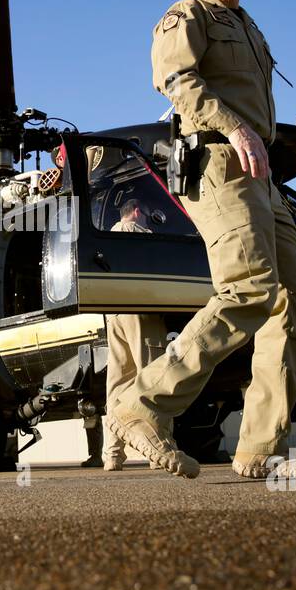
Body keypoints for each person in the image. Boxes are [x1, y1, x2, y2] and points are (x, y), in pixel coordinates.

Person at [104, 0, 296, 481]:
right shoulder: (188, 14)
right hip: (218, 160)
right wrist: (235, 128)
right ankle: (140, 404)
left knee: (294, 305)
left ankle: (257, 450)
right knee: (248, 288)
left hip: (260, 173)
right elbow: (174, 79)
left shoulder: (252, 30)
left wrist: (267, 141)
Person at [101, 199, 168, 471]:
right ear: (138, 212)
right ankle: (157, 449)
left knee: (117, 382)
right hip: (141, 309)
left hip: (113, 313)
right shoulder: (135, 232)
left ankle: (112, 454)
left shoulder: (107, 235)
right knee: (153, 375)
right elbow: (160, 261)